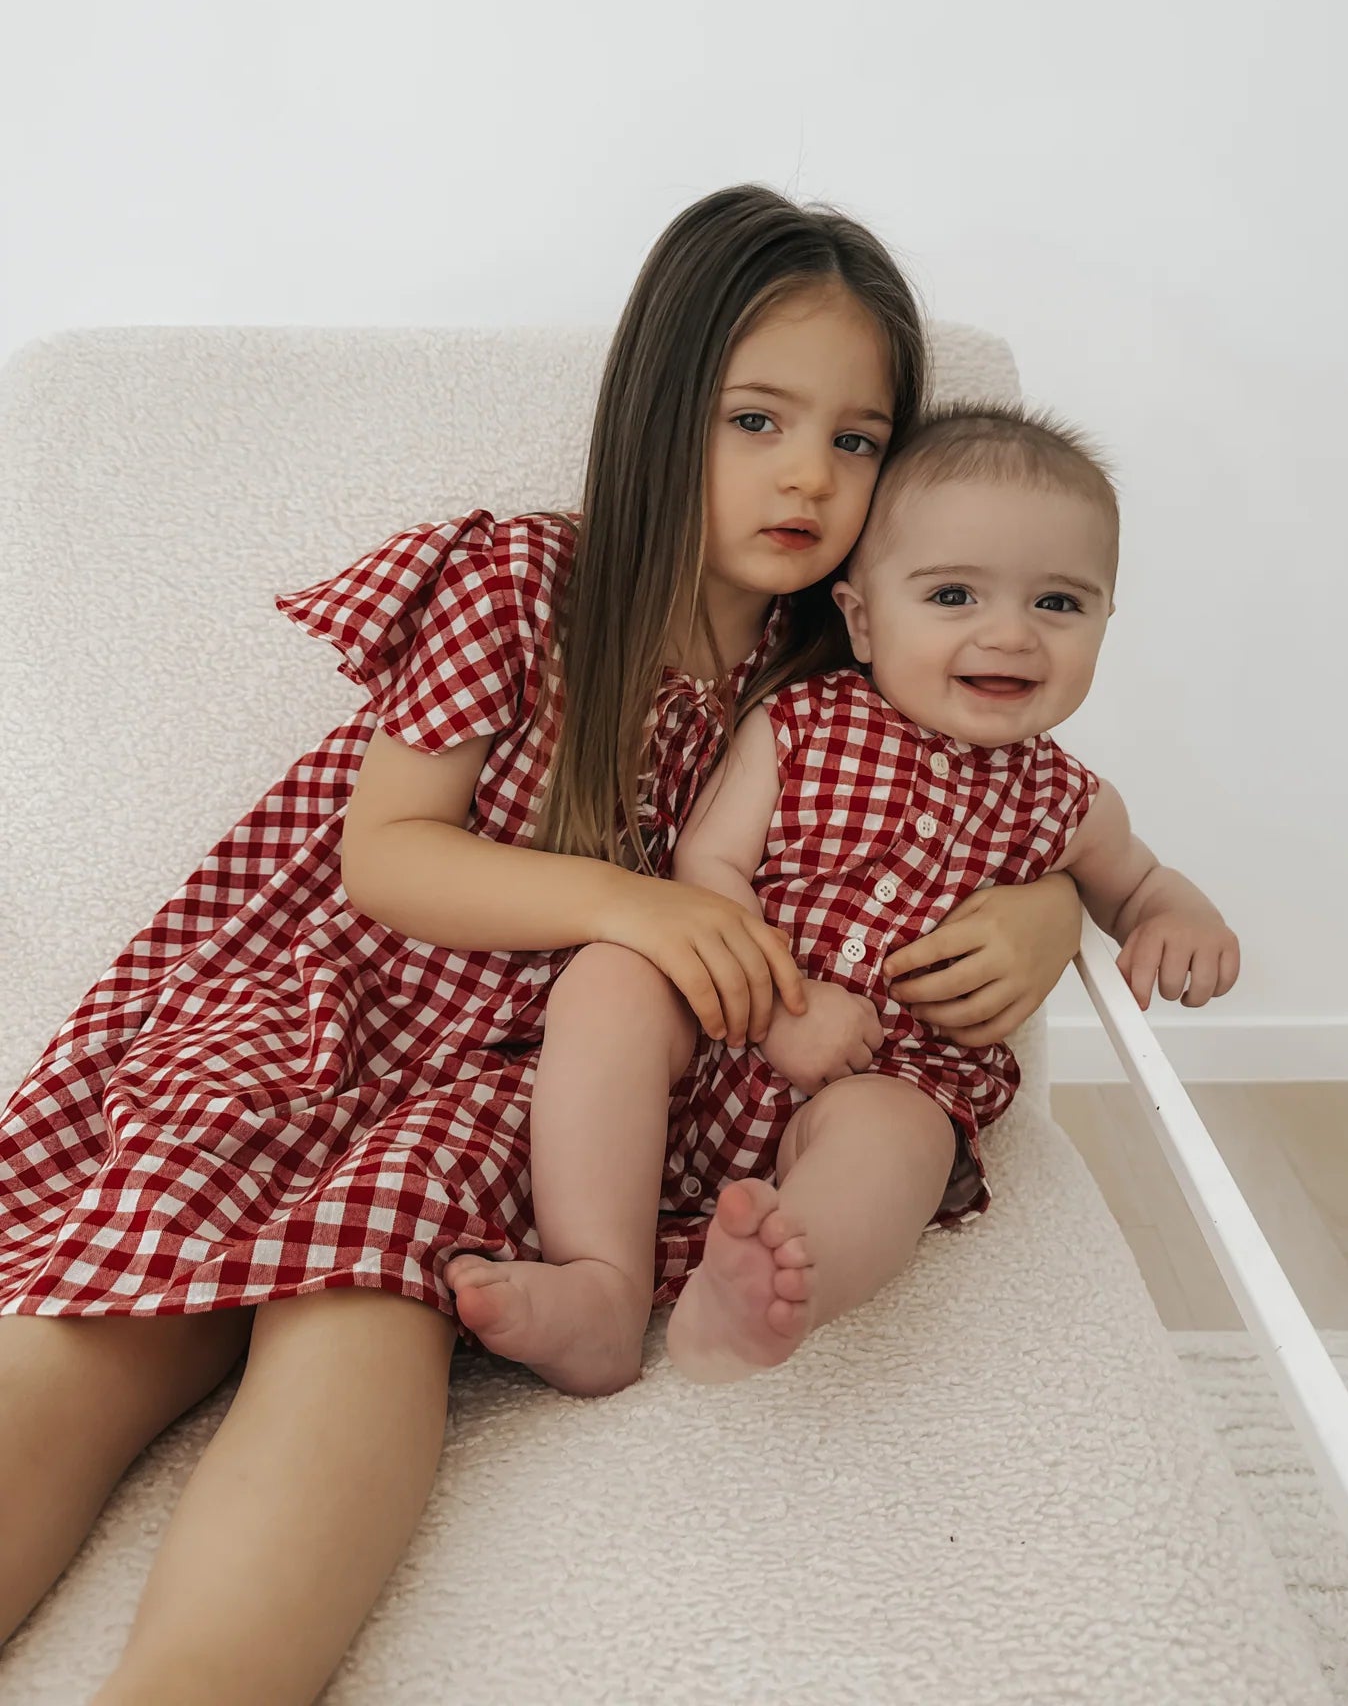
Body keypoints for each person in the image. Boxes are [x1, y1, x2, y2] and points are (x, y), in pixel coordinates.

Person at [0, 188, 1083, 1706]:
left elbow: (1019, 787)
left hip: (518, 1091)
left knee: (361, 1299)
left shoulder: (853, 663)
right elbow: (388, 857)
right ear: (661, 409)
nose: (806, 475)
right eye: (756, 419)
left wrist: (1051, 905)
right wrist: (631, 901)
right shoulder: (522, 581)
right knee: (114, 1319)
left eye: (855, 440)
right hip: (343, 1004)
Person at [491, 402, 1239, 1390]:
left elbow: (1136, 884)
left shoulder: (1069, 798)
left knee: (904, 1137)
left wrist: (1181, 916)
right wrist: (778, 1006)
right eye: (956, 593)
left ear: (1107, 618)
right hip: (716, 1038)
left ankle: (774, 1280)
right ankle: (600, 1281)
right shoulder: (799, 724)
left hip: (880, 1079)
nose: (1010, 634)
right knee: (613, 976)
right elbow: (707, 872)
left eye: (1059, 602)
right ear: (861, 615)